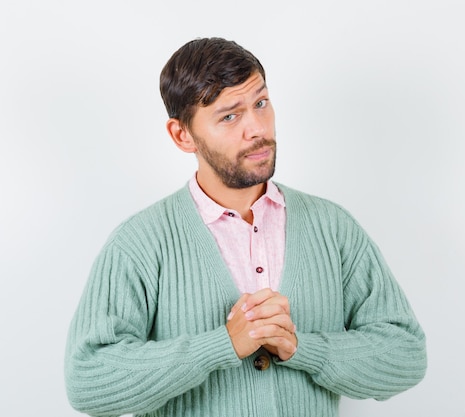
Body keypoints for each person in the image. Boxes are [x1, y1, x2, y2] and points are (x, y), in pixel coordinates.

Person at [64, 37, 427, 417]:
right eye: (229, 116)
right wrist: (222, 345)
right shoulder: (140, 242)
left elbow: (405, 354)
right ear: (182, 135)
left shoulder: (332, 227)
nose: (256, 129)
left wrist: (302, 349)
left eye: (261, 104)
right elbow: (88, 380)